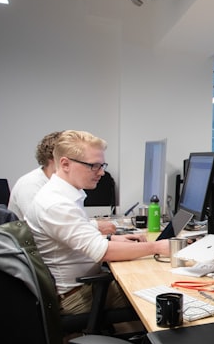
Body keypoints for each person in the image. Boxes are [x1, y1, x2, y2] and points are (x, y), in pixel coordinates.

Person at [25, 130, 170, 314]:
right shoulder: (56, 204)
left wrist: (115, 239)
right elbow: (103, 252)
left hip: (83, 284)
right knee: (162, 288)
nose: (101, 172)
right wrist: (156, 247)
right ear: (65, 164)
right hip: (74, 296)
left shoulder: (64, 194)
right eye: (94, 166)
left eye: (102, 165)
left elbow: (81, 235)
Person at [9, 131, 116, 235]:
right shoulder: (30, 185)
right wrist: (95, 226)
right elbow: (50, 225)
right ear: (56, 158)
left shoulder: (66, 185)